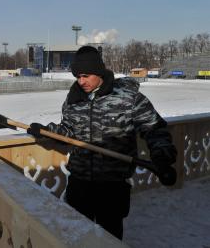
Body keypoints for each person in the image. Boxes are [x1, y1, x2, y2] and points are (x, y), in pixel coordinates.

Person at [27, 46, 177, 240]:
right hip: (79, 183)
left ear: (99, 72)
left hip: (112, 186)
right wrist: (48, 132)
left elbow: (154, 128)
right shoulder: (74, 99)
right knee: (77, 237)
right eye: (78, 76)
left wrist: (161, 154)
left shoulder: (127, 98)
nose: (81, 82)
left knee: (109, 238)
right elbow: (69, 131)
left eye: (86, 76)